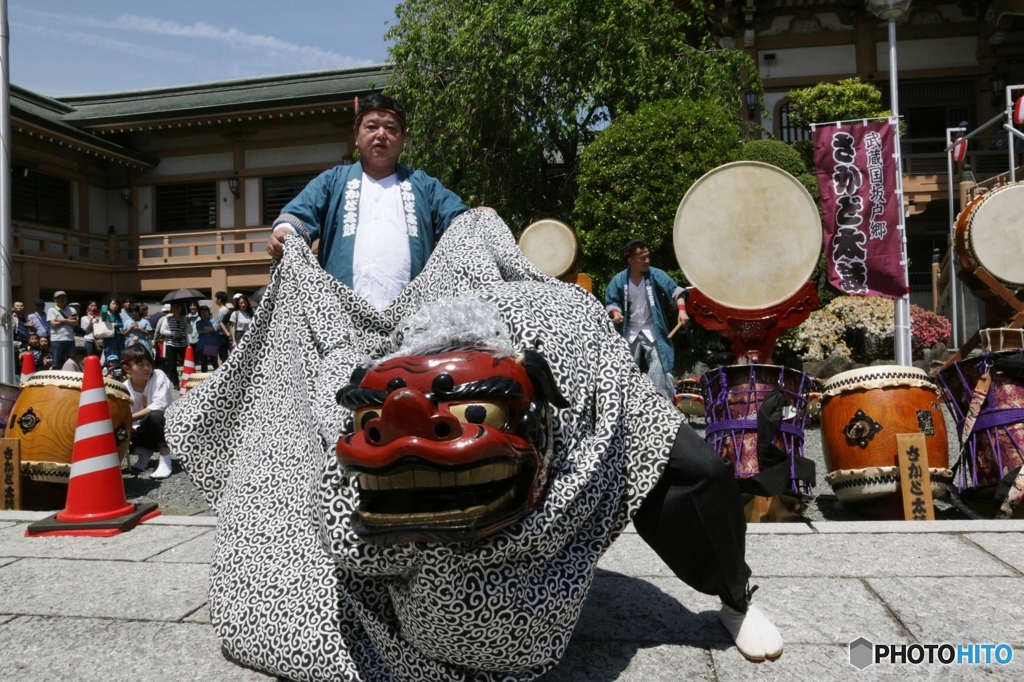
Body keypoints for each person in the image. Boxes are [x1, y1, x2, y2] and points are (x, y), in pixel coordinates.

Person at [169, 210, 783, 680]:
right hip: (414, 340)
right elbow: (348, 522)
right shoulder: (376, 380)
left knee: (696, 470)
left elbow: (566, 381)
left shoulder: (564, 337)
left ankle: (734, 595)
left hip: (573, 388)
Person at [265, 93, 468, 309]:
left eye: (391, 129)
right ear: (356, 135)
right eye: (372, 127)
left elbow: (459, 220)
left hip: (414, 319)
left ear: (403, 138)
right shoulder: (333, 181)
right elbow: (300, 214)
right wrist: (285, 232)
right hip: (343, 319)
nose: (381, 134)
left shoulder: (424, 185)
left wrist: (478, 218)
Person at [605, 240, 688, 401]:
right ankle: (627, 413)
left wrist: (682, 310)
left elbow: (676, 291)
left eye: (648, 257)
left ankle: (664, 412)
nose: (647, 261)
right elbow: (611, 301)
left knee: (660, 372)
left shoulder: (655, 274)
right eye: (642, 258)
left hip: (653, 330)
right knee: (624, 372)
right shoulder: (619, 279)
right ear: (631, 261)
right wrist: (616, 313)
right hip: (629, 332)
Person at [122, 344, 175, 480]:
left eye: (148, 363)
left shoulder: (158, 375)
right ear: (127, 368)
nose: (147, 368)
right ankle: (144, 453)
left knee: (155, 416)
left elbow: (160, 404)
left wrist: (130, 418)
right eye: (140, 365)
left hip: (165, 426)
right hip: (139, 429)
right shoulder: (124, 387)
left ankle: (165, 460)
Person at [154, 301, 192, 389]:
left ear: (181, 308)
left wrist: (189, 323)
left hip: (183, 344)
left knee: (186, 363)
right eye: (174, 307)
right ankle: (175, 383)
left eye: (178, 307)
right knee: (172, 364)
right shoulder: (167, 319)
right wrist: (174, 333)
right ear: (171, 309)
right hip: (171, 344)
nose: (177, 309)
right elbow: (162, 331)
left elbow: (190, 331)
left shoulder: (184, 319)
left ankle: (188, 380)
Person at [47, 291, 78, 371]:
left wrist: (61, 320)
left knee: (71, 361)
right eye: (59, 298)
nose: (61, 299)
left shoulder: (72, 310)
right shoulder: (51, 310)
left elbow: (75, 322)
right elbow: (53, 324)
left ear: (66, 298)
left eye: (63, 297)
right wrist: (67, 320)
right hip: (57, 340)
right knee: (56, 363)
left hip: (70, 339)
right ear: (55, 299)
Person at [195, 305, 218, 372]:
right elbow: (200, 331)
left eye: (206, 311)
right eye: (202, 312)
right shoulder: (198, 322)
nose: (204, 313)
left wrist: (206, 329)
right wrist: (211, 329)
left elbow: (216, 329)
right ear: (199, 314)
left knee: (214, 363)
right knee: (203, 364)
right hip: (202, 345)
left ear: (208, 312)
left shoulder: (214, 320)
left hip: (212, 344)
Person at [214, 291, 232, 364]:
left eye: (216, 298)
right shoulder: (224, 309)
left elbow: (219, 324)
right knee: (223, 355)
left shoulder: (222, 310)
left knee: (223, 356)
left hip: (222, 335)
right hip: (223, 336)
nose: (215, 300)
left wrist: (211, 329)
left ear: (219, 299)